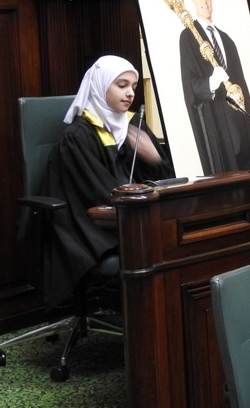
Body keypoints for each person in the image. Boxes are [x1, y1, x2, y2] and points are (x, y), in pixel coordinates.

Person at [42, 55, 175, 310]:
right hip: (88, 224)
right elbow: (99, 191)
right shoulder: (78, 136)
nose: (130, 93)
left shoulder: (133, 125)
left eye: (134, 87)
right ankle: (149, 322)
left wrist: (155, 159)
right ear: (101, 86)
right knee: (156, 244)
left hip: (131, 216)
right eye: (122, 85)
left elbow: (166, 179)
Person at [179, 0, 250, 175]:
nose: (205, 0)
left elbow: (242, 85)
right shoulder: (188, 38)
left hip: (244, 129)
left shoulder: (227, 40)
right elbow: (190, 86)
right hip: (219, 132)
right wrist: (211, 82)